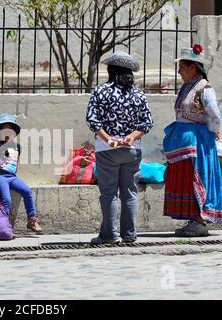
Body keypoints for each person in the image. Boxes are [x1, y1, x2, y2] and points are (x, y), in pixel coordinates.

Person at [86, 51, 154, 244]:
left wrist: (108, 139)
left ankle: (109, 235)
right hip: (132, 150)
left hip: (107, 150)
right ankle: (129, 235)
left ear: (111, 70)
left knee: (108, 193)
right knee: (130, 192)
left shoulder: (101, 91)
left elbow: (92, 120)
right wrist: (131, 137)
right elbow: (147, 122)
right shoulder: (138, 94)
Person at [163, 44, 222, 236]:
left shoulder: (204, 88)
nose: (179, 71)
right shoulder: (187, 86)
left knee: (197, 177)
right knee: (185, 179)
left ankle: (200, 220)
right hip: (185, 143)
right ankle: (193, 218)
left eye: (182, 67)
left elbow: (214, 114)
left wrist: (214, 131)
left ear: (193, 67)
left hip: (198, 143)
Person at [0, 113, 42, 233]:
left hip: (12, 177)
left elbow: (16, 163)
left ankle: (32, 220)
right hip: (0, 176)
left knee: (27, 191)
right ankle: (3, 225)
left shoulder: (18, 147)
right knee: (6, 200)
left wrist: (14, 174)